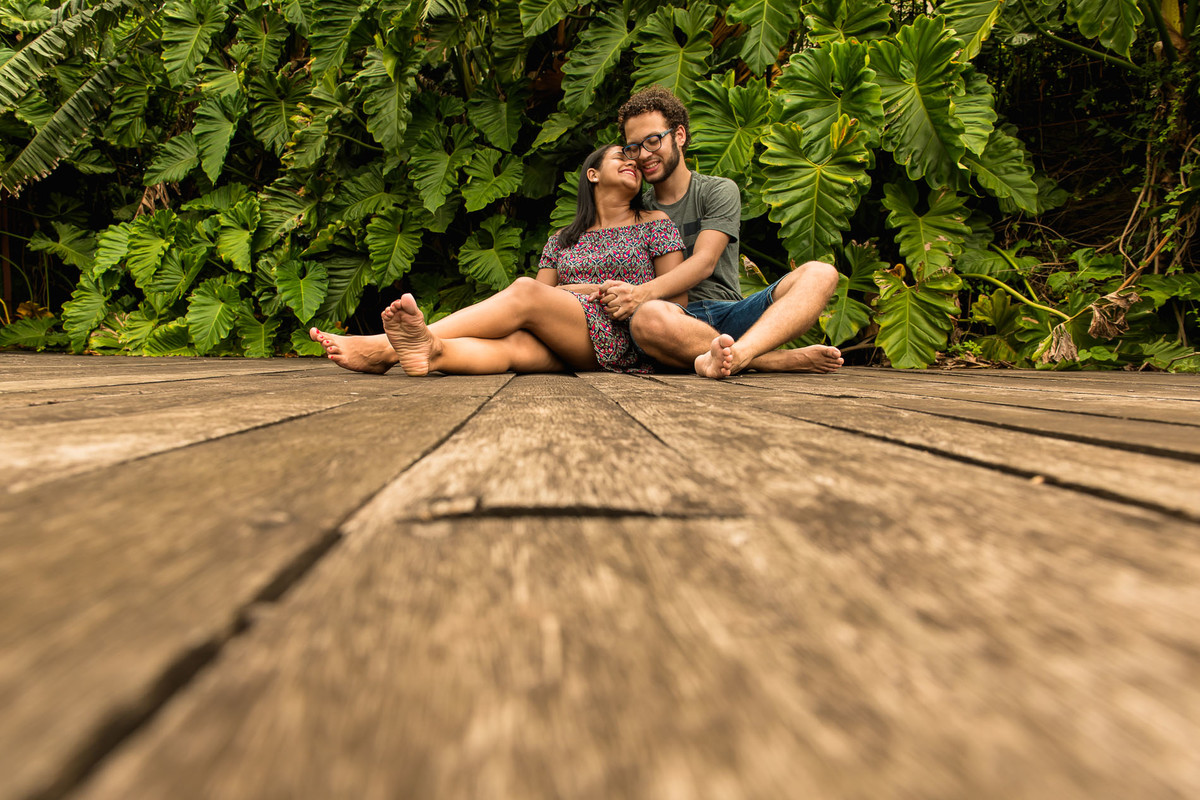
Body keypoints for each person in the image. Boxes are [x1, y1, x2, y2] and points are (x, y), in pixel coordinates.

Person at [313, 145, 686, 376]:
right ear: (593, 174)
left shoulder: (653, 225)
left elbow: (676, 305)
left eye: (636, 163)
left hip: (623, 335)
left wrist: (600, 291)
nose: (633, 164)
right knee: (513, 346)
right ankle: (432, 352)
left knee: (523, 290)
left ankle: (382, 349)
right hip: (570, 335)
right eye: (622, 156)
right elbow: (543, 303)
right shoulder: (562, 238)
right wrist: (572, 292)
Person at [603, 86, 844, 379]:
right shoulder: (636, 209)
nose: (643, 155)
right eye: (633, 147)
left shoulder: (717, 190)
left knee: (821, 273)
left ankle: (739, 354)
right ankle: (766, 360)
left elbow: (705, 262)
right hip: (674, 322)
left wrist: (641, 293)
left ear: (679, 136)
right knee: (646, 319)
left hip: (730, 313)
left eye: (653, 141)